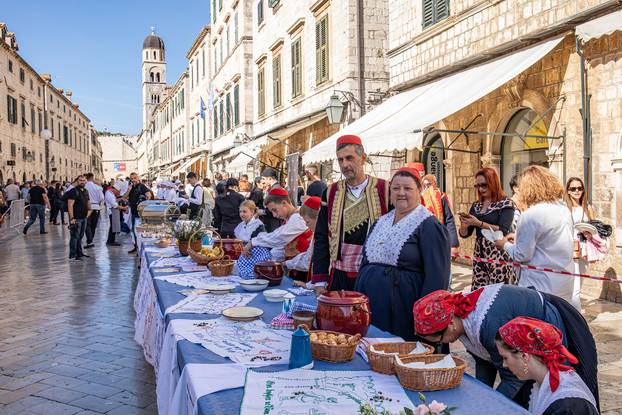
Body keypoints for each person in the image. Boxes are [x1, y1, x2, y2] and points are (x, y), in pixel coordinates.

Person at [412, 285, 599, 409]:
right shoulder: (466, 322)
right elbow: (484, 360)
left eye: (439, 339)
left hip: (544, 324)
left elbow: (513, 378)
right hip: (519, 351)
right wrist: (480, 395)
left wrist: (492, 406)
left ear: (450, 323)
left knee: (548, 398)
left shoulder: (487, 325)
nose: (442, 344)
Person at [355, 167, 450, 341]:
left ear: (419, 191)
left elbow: (438, 276)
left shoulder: (428, 224)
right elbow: (365, 262)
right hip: (372, 305)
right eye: (396, 188)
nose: (401, 193)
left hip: (403, 310)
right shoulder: (381, 221)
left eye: (408, 188)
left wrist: (426, 317)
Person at [312, 135, 390, 291]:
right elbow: (321, 236)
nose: (344, 164)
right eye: (340, 160)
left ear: (363, 158)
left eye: (349, 158)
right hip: (339, 274)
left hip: (375, 273)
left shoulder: (385, 189)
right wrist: (320, 278)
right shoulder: (330, 192)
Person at [494, 166, 576, 309]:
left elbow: (521, 255)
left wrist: (503, 244)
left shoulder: (531, 214)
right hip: (564, 281)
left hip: (540, 285)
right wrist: (518, 236)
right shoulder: (563, 210)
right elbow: (548, 239)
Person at [496, 317, 599, 414]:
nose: (504, 365)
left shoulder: (566, 405)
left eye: (505, 358)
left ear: (524, 356)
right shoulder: (541, 384)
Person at [458, 167, 516, 290]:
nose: (480, 189)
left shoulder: (506, 203)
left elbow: (503, 229)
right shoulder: (476, 205)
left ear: (493, 183)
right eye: (477, 186)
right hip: (480, 251)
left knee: (497, 291)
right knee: (479, 290)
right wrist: (464, 225)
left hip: (498, 251)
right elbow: (465, 234)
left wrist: (478, 223)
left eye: (484, 185)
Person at [238, 188, 308, 277]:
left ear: (284, 203)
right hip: (295, 269)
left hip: (305, 271)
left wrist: (253, 242)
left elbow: (279, 238)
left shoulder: (298, 218)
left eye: (275, 210)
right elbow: (280, 247)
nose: (274, 215)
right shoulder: (289, 219)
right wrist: (264, 260)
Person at [564, 177, 593, 308]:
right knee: (574, 287)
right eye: (573, 189)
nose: (577, 191)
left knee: (579, 284)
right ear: (568, 191)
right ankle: (577, 317)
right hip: (569, 249)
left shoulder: (587, 207)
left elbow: (595, 228)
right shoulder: (564, 208)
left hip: (584, 249)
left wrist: (589, 232)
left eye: (580, 188)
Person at [283, 196, 322, 281]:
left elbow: (309, 262)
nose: (306, 225)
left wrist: (287, 264)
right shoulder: (317, 235)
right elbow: (308, 256)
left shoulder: (324, 236)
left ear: (319, 218)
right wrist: (287, 264)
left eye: (307, 222)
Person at [421, 174, 459, 255]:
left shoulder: (441, 197)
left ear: (435, 184)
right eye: (425, 185)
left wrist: (453, 244)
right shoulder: (419, 199)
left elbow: (449, 219)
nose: (427, 187)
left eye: (429, 184)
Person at [126, 172, 153, 254]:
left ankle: (141, 248)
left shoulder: (141, 186)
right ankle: (136, 246)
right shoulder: (131, 187)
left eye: (134, 178)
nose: (133, 180)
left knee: (140, 231)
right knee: (134, 230)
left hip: (140, 213)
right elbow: (125, 197)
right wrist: (129, 190)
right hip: (133, 211)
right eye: (132, 178)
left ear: (138, 178)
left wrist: (146, 203)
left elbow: (148, 194)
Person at [66, 175, 91, 261]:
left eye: (83, 180)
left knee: (80, 236)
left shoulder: (86, 191)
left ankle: (79, 253)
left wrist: (89, 211)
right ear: (77, 181)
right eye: (80, 180)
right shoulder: (73, 191)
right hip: (76, 218)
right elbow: (70, 205)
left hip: (84, 217)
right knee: (74, 237)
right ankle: (72, 256)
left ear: (86, 181)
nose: (82, 182)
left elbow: (88, 201)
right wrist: (72, 218)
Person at [84, 173, 105, 249]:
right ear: (93, 177)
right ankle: (90, 240)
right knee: (93, 225)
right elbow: (102, 198)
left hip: (87, 207)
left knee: (87, 225)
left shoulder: (84, 187)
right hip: (96, 207)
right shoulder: (97, 187)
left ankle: (89, 241)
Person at [259, 167, 283, 232]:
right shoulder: (274, 188)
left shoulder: (275, 189)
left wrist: (262, 212)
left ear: (270, 178)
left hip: (274, 222)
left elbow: (275, 208)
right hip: (273, 221)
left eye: (264, 179)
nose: (263, 181)